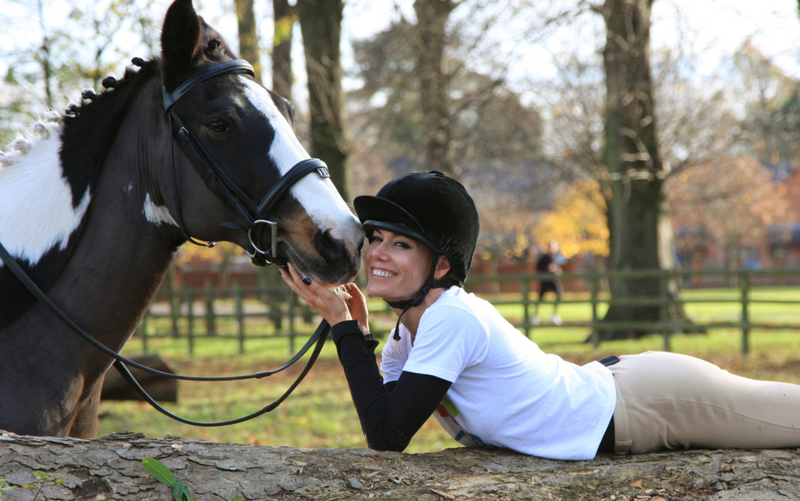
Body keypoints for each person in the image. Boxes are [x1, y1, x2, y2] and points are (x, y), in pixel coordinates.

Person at [280, 170, 800, 460]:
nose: (376, 254)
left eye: (400, 244)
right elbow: (384, 419)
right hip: (624, 394)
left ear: (441, 264)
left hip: (655, 401)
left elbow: (388, 434)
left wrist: (344, 329)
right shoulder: (408, 335)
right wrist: (358, 331)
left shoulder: (450, 320)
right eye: (375, 239)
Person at [533, 240, 563, 326]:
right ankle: (535, 316)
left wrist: (557, 270)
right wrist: (547, 269)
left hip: (554, 280)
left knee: (559, 296)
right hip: (545, 281)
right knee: (540, 298)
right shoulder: (543, 258)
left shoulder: (557, 257)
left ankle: (554, 314)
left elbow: (559, 269)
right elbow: (538, 269)